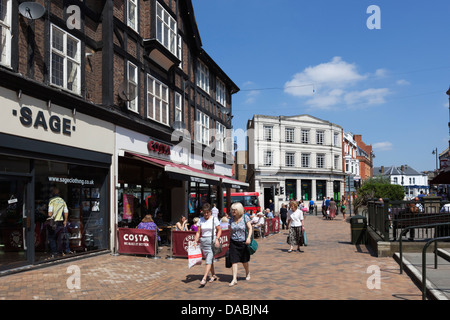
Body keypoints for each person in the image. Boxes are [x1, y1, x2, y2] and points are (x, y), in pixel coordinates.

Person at [194, 203, 222, 286]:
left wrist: (217, 239)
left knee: (208, 260)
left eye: (208, 212)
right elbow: (198, 232)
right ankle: (213, 275)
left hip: (212, 241)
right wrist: (196, 241)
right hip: (204, 242)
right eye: (204, 212)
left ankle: (204, 278)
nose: (206, 214)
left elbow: (219, 230)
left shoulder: (214, 219)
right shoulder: (200, 220)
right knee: (209, 259)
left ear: (210, 212)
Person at [228, 202, 252, 286]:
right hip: (234, 242)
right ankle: (234, 279)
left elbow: (250, 228)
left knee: (244, 261)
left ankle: (247, 272)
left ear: (239, 210)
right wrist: (228, 241)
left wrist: (248, 237)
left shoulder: (245, 217)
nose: (233, 211)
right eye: (232, 210)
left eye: (235, 210)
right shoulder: (231, 219)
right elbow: (230, 230)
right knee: (234, 261)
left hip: (243, 242)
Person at [47, 187, 72, 257]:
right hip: (61, 221)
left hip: (54, 222)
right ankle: (60, 251)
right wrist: (65, 220)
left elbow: (50, 213)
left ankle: (54, 252)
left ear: (53, 193)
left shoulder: (52, 201)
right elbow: (66, 211)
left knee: (52, 237)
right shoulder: (62, 201)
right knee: (60, 238)